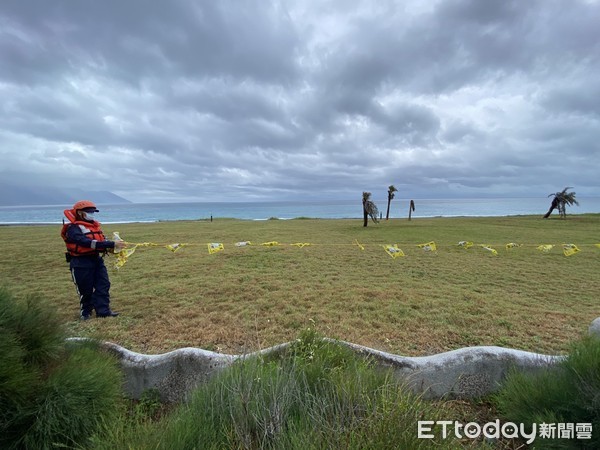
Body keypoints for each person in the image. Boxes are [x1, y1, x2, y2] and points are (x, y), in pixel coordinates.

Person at [61, 200, 125, 320]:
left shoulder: (95, 226)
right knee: (85, 288)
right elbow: (84, 242)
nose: (91, 214)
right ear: (79, 212)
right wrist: (111, 244)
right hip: (80, 262)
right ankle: (86, 312)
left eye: (93, 212)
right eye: (89, 212)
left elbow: (101, 240)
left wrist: (111, 247)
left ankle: (103, 311)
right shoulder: (73, 228)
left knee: (103, 284)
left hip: (96, 260)